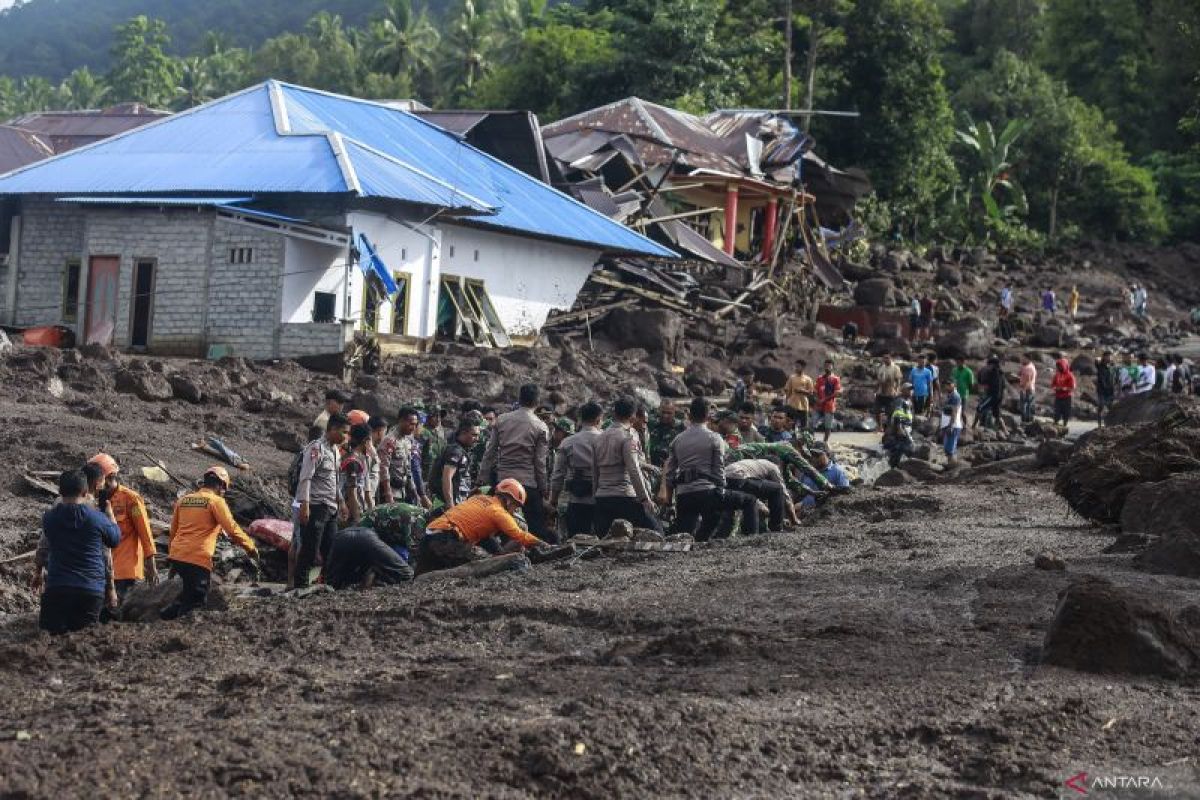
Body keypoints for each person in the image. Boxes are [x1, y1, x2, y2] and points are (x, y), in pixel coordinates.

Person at [31, 469, 121, 634]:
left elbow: (45, 546)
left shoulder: (49, 518)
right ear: (85, 492)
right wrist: (110, 516)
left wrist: (37, 571)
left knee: (50, 641)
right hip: (90, 590)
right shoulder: (97, 518)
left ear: (59, 491)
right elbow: (114, 541)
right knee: (82, 643)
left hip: (57, 587)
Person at [162, 466, 259, 619]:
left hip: (178, 555)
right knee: (196, 601)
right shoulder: (216, 502)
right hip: (197, 558)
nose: (224, 492)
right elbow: (232, 528)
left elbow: (173, 532)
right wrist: (250, 546)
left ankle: (165, 616)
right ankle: (178, 630)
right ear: (220, 485)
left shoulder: (184, 500)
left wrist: (172, 558)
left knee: (188, 593)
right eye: (224, 489)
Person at [662, 397, 758, 540]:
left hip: (684, 497)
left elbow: (669, 475)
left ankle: (698, 541)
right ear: (708, 415)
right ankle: (752, 541)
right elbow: (719, 471)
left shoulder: (677, 439)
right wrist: (722, 490)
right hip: (708, 493)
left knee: (684, 534)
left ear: (689, 415)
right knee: (749, 500)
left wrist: (670, 500)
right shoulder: (714, 438)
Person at [415, 480, 545, 574]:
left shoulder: (478, 499)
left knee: (419, 578)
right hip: (448, 541)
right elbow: (519, 535)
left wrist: (499, 553)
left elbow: (485, 538)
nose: (514, 511)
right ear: (509, 500)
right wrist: (542, 544)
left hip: (430, 536)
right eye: (515, 507)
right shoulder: (498, 511)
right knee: (485, 568)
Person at [479, 383, 553, 541]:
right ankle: (535, 556)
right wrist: (543, 488)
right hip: (528, 483)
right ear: (537, 401)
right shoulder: (541, 426)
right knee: (535, 525)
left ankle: (506, 555)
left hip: (504, 482)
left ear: (519, 399)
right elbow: (540, 462)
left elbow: (490, 452)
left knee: (502, 524)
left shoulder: (502, 420)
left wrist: (482, 479)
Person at [88, 453, 158, 601]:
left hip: (126, 572)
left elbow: (144, 531)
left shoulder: (131, 499)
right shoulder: (95, 501)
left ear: (108, 477)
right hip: (102, 572)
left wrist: (150, 562)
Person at [293, 412, 350, 589]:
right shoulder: (316, 448)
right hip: (316, 506)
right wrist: (305, 504)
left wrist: (341, 502)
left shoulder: (334, 451)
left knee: (330, 550)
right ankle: (300, 588)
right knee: (309, 551)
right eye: (343, 432)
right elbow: (306, 477)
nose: (346, 437)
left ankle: (325, 585)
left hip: (331, 508)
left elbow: (334, 480)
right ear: (332, 429)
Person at [592, 396, 661, 535]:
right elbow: (633, 469)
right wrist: (645, 499)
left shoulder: (599, 438)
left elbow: (595, 471)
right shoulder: (628, 437)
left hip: (602, 498)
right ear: (633, 416)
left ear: (614, 414)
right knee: (657, 531)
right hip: (624, 496)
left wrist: (596, 496)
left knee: (606, 541)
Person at [549, 401, 604, 538]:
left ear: (580, 419)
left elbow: (558, 476)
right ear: (599, 419)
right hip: (604, 500)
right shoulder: (606, 439)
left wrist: (553, 500)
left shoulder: (567, 442)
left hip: (577, 500)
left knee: (577, 540)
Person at [323, 526, 414, 589]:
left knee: (331, 584)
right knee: (408, 574)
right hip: (367, 536)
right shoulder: (415, 523)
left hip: (341, 536)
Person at [724, 458, 795, 532]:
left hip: (725, 478)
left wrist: (773, 514)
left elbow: (760, 506)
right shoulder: (773, 467)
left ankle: (750, 533)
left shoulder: (755, 467)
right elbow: (784, 493)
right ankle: (777, 528)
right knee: (777, 489)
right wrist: (794, 519)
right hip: (739, 476)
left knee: (750, 501)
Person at [380, 408, 430, 508]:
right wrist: (388, 493)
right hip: (391, 491)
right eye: (411, 424)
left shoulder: (407, 440)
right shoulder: (390, 440)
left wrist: (415, 491)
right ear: (401, 421)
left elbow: (408, 468)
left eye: (415, 424)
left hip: (403, 490)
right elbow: (383, 468)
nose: (413, 427)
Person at [430, 419, 481, 509]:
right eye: (474, 435)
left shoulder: (462, 450)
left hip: (457, 500)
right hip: (446, 503)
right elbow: (447, 477)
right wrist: (450, 503)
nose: (477, 439)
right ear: (464, 433)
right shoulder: (455, 451)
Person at [340, 423, 373, 524]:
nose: (371, 445)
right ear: (365, 441)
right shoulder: (353, 462)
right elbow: (352, 493)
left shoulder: (347, 457)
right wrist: (358, 519)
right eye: (370, 441)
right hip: (350, 515)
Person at [800, 446, 850, 511]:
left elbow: (845, 494)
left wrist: (804, 503)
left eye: (817, 455)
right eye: (812, 454)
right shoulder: (807, 470)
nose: (814, 458)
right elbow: (799, 491)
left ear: (827, 455)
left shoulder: (838, 471)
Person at [883, 385, 915, 469]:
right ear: (903, 390)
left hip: (907, 427)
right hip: (902, 427)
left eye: (912, 390)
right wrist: (899, 427)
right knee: (909, 447)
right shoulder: (900, 401)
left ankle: (894, 465)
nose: (911, 392)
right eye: (909, 390)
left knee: (900, 447)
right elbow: (897, 414)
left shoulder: (908, 401)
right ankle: (895, 465)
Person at [973, 356, 1008, 433]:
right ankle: (1006, 431)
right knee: (997, 415)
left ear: (991, 364)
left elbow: (984, 384)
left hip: (992, 396)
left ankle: (973, 427)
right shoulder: (1001, 373)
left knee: (979, 408)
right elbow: (1004, 387)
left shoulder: (992, 372)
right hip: (999, 397)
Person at [813, 359, 842, 444]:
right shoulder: (820, 378)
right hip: (819, 405)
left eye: (829, 366)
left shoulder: (835, 379)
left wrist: (824, 400)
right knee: (812, 423)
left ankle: (825, 442)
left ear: (832, 367)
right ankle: (811, 440)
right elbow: (815, 390)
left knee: (827, 426)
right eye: (826, 365)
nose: (827, 367)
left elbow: (836, 393)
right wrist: (816, 399)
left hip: (829, 406)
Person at [648, 399, 683, 467]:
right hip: (653, 466)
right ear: (659, 411)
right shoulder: (651, 424)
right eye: (663, 412)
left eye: (669, 413)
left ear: (674, 412)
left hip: (672, 468)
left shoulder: (680, 427)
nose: (665, 416)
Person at [782, 360, 815, 431]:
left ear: (803, 367)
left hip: (803, 405)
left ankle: (803, 440)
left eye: (798, 366)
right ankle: (791, 440)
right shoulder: (792, 378)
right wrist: (786, 402)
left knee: (804, 426)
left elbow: (811, 392)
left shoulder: (808, 379)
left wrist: (802, 391)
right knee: (790, 425)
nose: (796, 368)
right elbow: (787, 391)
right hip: (792, 405)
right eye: (795, 366)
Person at [419, 406, 448, 485]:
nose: (438, 419)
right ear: (428, 417)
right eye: (435, 416)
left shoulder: (441, 431)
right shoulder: (422, 431)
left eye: (439, 416)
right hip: (425, 472)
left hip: (438, 471)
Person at [874, 353, 903, 430]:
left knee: (890, 412)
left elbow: (898, 380)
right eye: (884, 358)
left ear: (891, 358)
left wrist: (897, 390)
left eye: (887, 358)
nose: (885, 360)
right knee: (877, 410)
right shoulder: (881, 367)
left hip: (890, 392)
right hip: (881, 392)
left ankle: (889, 428)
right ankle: (880, 427)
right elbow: (878, 380)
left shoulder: (895, 368)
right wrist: (876, 390)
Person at [939, 378, 964, 466]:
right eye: (946, 384)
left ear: (954, 385)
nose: (947, 386)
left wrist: (951, 425)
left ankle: (952, 465)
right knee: (947, 447)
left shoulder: (955, 396)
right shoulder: (948, 395)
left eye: (949, 384)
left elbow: (955, 411)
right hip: (947, 424)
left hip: (953, 424)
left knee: (950, 448)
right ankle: (951, 464)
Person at [366, 416, 388, 505]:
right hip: (365, 501)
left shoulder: (372, 448)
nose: (385, 436)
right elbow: (365, 478)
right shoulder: (369, 450)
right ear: (379, 431)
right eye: (385, 432)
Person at [1051, 358, 1076, 426]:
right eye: (1058, 366)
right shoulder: (1057, 375)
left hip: (1067, 397)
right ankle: (1056, 423)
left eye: (1060, 366)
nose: (1059, 368)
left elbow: (1073, 387)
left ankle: (1065, 424)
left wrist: (1065, 388)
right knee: (1057, 412)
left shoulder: (1070, 375)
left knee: (1066, 412)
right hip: (1058, 396)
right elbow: (1053, 384)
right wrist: (1055, 388)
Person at [1096, 351, 1117, 427]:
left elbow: (1115, 377)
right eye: (1107, 356)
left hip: (1110, 391)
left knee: (1111, 408)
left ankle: (1109, 424)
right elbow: (1096, 360)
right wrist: (1100, 358)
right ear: (1104, 357)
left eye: (1110, 356)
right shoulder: (1100, 365)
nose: (1109, 358)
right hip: (1101, 391)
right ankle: (1099, 425)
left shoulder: (1112, 366)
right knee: (1101, 407)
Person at [1018, 354, 1037, 424]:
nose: (1022, 359)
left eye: (1024, 358)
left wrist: (1024, 390)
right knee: (1028, 405)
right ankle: (1027, 420)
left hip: (1027, 389)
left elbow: (1028, 380)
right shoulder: (1029, 366)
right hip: (1029, 388)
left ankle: (1026, 420)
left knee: (1025, 405)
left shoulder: (1028, 368)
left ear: (1028, 359)